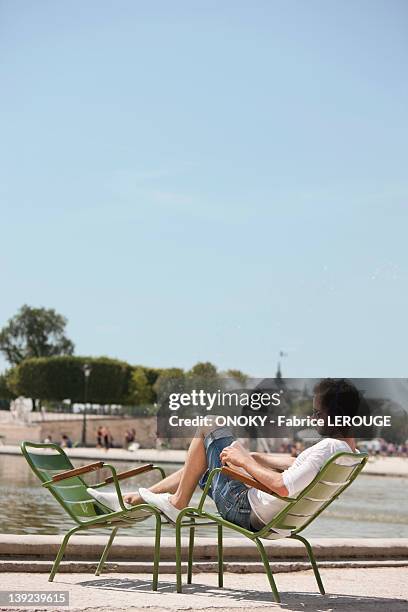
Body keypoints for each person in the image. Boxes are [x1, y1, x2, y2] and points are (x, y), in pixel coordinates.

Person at [88, 379, 360, 530]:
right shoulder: (345, 452)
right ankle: (133, 500)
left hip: (244, 507)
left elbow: (282, 486)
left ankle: (176, 503)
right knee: (206, 460)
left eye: (317, 412)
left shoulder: (327, 448)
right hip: (265, 512)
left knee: (210, 423)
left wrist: (243, 461)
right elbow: (296, 465)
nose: (313, 418)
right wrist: (252, 457)